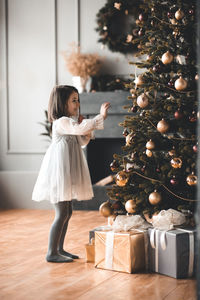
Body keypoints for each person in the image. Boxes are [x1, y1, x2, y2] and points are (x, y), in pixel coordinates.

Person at [32, 85, 110, 263]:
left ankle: (59, 249)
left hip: (67, 171)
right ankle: (51, 252)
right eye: (73, 100)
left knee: (67, 212)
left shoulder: (71, 122)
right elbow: (79, 130)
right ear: (62, 103)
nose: (78, 103)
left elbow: (82, 140)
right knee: (61, 214)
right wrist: (99, 118)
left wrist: (86, 128)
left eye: (78, 99)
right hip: (59, 173)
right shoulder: (62, 122)